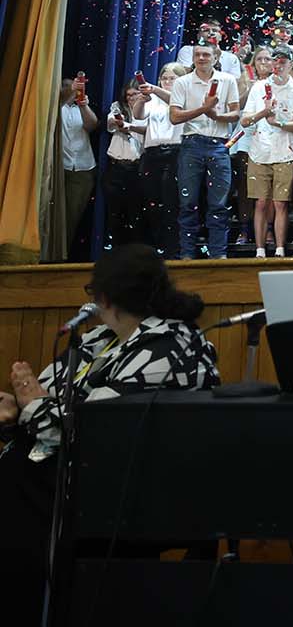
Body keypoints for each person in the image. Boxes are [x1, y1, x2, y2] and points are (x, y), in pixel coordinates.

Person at [0, 245, 219, 623]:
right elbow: (49, 399)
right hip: (76, 475)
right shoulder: (101, 339)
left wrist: (31, 405)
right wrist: (16, 408)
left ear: (103, 296)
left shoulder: (170, 347)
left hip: (129, 487)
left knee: (13, 491)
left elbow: (95, 427)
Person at [169, 42, 242, 258]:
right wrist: (205, 109)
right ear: (192, 58)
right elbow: (174, 117)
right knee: (188, 202)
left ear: (215, 57)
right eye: (197, 55)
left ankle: (218, 254)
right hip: (192, 144)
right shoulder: (182, 82)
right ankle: (187, 255)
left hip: (219, 144)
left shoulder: (227, 80)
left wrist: (216, 116)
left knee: (219, 204)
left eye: (206, 55)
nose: (201, 58)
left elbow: (235, 113)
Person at [239, 45, 293, 258]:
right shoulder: (259, 87)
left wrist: (277, 122)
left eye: (283, 61)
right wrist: (264, 112)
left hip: (286, 152)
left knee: (280, 203)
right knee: (259, 202)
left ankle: (279, 249)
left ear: (290, 64)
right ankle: (260, 250)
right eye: (274, 61)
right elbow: (245, 120)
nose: (278, 65)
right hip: (259, 151)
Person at [138, 63, 185, 257]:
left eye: (171, 78)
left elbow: (175, 102)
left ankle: (172, 249)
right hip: (152, 152)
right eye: (164, 78)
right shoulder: (154, 99)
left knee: (170, 202)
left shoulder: (183, 96)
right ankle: (156, 246)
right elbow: (138, 115)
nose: (167, 82)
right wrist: (142, 99)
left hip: (174, 151)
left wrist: (155, 90)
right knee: (152, 202)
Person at [102, 80, 148, 247]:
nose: (130, 98)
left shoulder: (149, 110)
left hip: (138, 168)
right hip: (117, 167)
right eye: (128, 95)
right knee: (115, 216)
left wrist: (131, 126)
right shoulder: (118, 107)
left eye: (134, 94)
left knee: (136, 216)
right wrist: (121, 122)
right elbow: (112, 123)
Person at [57, 76, 99, 256]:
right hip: (58, 168)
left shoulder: (78, 108)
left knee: (71, 219)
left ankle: (60, 258)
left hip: (82, 169)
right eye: (66, 86)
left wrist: (83, 104)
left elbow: (92, 125)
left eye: (73, 86)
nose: (72, 89)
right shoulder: (53, 108)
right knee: (51, 217)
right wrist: (69, 91)